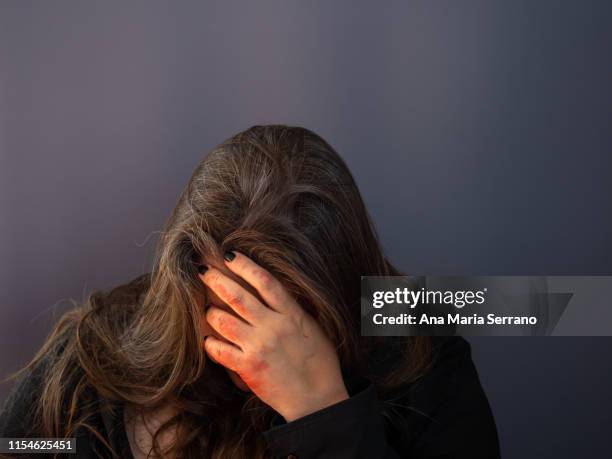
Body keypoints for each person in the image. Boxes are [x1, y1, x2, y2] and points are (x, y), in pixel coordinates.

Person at [0, 125, 500, 458]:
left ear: (341, 292)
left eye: (286, 314)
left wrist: (326, 411)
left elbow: (556, 305)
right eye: (225, 302)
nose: (253, 342)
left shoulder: (423, 343)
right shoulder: (95, 355)